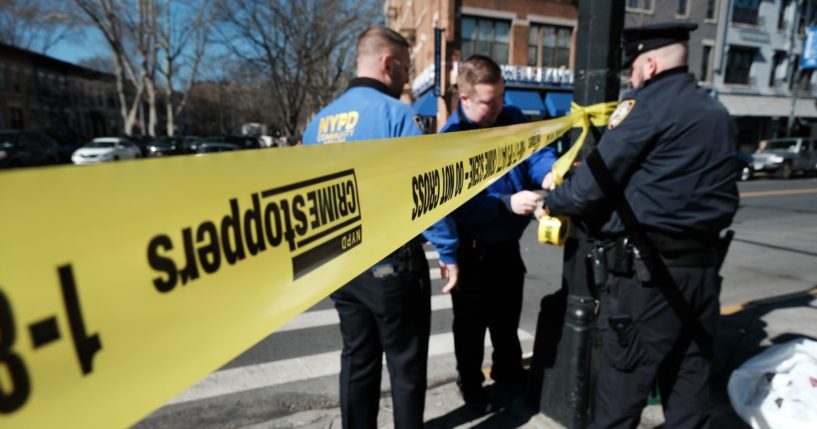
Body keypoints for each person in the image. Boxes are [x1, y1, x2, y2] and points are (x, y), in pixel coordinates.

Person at [541, 23, 739, 428]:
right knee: (688, 397)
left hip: (647, 283)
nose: (630, 77)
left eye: (632, 68)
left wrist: (550, 201)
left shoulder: (644, 106)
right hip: (701, 276)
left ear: (648, 64)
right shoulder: (717, 112)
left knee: (620, 400)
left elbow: (587, 190)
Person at [302, 26, 458, 429]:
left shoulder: (319, 123)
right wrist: (448, 251)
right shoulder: (396, 116)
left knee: (357, 358)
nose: (407, 78)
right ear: (388, 64)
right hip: (391, 267)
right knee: (405, 367)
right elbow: (425, 191)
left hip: (339, 262)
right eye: (405, 68)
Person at [439, 54, 557, 412]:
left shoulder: (512, 119)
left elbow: (536, 153)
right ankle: (471, 384)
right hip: (472, 250)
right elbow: (455, 204)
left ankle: (508, 374)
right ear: (465, 99)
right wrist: (506, 204)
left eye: (502, 98)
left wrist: (550, 173)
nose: (498, 107)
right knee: (470, 329)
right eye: (489, 102)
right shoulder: (451, 140)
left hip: (506, 247)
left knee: (507, 321)